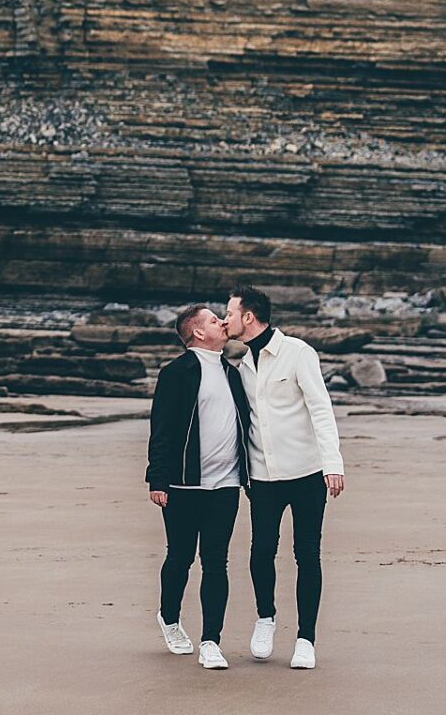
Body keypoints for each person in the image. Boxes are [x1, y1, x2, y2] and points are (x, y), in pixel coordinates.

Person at [224, 287, 346, 671]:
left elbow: (321, 409)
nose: (225, 320)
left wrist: (333, 463)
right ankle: (266, 618)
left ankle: (306, 639)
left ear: (248, 317)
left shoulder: (297, 353)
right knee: (261, 550)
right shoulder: (240, 365)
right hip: (262, 477)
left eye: (229, 313)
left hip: (307, 473)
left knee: (307, 554)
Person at [145, 304, 252, 670]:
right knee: (180, 557)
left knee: (216, 562)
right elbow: (161, 429)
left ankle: (211, 642)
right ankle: (169, 617)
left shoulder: (233, 373)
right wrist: (158, 479)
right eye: (214, 320)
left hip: (226, 485)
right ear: (198, 333)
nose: (222, 322)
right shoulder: (176, 373)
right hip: (183, 484)